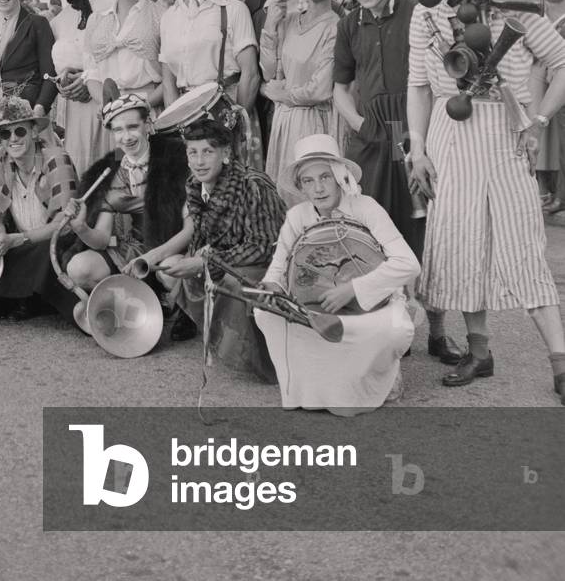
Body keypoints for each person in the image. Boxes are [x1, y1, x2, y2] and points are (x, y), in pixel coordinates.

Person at [407, 0, 565, 400]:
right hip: (448, 141)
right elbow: (417, 86)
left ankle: (559, 361)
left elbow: (561, 63)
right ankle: (480, 351)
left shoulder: (519, 5)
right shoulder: (427, 12)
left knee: (523, 245)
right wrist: (417, 148)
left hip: (504, 136)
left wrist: (538, 120)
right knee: (463, 243)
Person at [330, 0, 458, 364]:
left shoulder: (416, 12)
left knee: (425, 231)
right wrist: (362, 125)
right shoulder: (349, 24)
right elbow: (340, 90)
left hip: (414, 133)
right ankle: (390, 328)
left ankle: (437, 332)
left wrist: (423, 131)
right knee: (372, 233)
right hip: (369, 137)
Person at [255, 134, 419, 416]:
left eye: (325, 177)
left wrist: (353, 289)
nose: (318, 188)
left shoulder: (366, 207)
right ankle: (311, 389)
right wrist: (269, 288)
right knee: (265, 314)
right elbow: (279, 267)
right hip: (316, 304)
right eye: (308, 181)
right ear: (300, 186)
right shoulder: (297, 216)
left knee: (395, 328)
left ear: (340, 177)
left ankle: (383, 375)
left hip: (371, 304)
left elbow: (409, 264)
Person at [137, 118, 286, 370]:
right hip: (224, 258)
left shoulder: (253, 186)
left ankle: (258, 355)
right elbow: (197, 231)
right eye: (192, 152)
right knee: (172, 265)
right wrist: (152, 258)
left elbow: (263, 246)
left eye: (208, 151)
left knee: (229, 281)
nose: (199, 161)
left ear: (226, 153)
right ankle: (216, 333)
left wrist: (204, 262)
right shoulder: (196, 184)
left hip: (268, 267)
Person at [0, 96, 79, 320]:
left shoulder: (56, 159)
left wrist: (15, 240)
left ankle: (34, 301)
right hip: (17, 239)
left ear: (34, 132)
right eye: (5, 134)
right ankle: (9, 303)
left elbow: (65, 226)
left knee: (44, 251)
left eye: (20, 131)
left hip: (51, 239)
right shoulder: (1, 159)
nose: (13, 139)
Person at [58, 91, 187, 303]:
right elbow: (101, 238)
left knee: (171, 270)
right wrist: (81, 227)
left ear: (147, 125)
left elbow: (192, 225)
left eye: (132, 127)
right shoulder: (109, 170)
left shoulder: (175, 158)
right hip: (130, 248)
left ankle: (176, 308)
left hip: (172, 245)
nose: (126, 137)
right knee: (79, 268)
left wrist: (154, 256)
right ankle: (130, 303)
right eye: (118, 130)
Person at [259, 0, 344, 193]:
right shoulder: (290, 20)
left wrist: (283, 95)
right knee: (283, 193)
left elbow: (320, 90)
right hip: (283, 122)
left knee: (310, 191)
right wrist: (271, 26)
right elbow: (268, 71)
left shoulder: (336, 26)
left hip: (312, 122)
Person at [158, 0, 260, 117]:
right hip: (185, 113)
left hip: (225, 108)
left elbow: (250, 75)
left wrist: (238, 120)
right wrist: (176, 126)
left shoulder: (233, 10)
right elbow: (168, 82)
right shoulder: (168, 17)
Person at [83, 0, 163, 129]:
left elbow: (170, 74)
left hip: (149, 105)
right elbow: (92, 71)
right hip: (112, 109)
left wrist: (142, 106)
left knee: (150, 155)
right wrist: (105, 104)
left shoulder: (159, 15)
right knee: (118, 157)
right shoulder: (96, 19)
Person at [42, 0, 105, 173]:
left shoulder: (108, 8)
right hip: (74, 108)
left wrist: (90, 79)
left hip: (103, 102)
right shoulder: (57, 22)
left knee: (110, 167)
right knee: (79, 171)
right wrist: (63, 83)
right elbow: (54, 69)